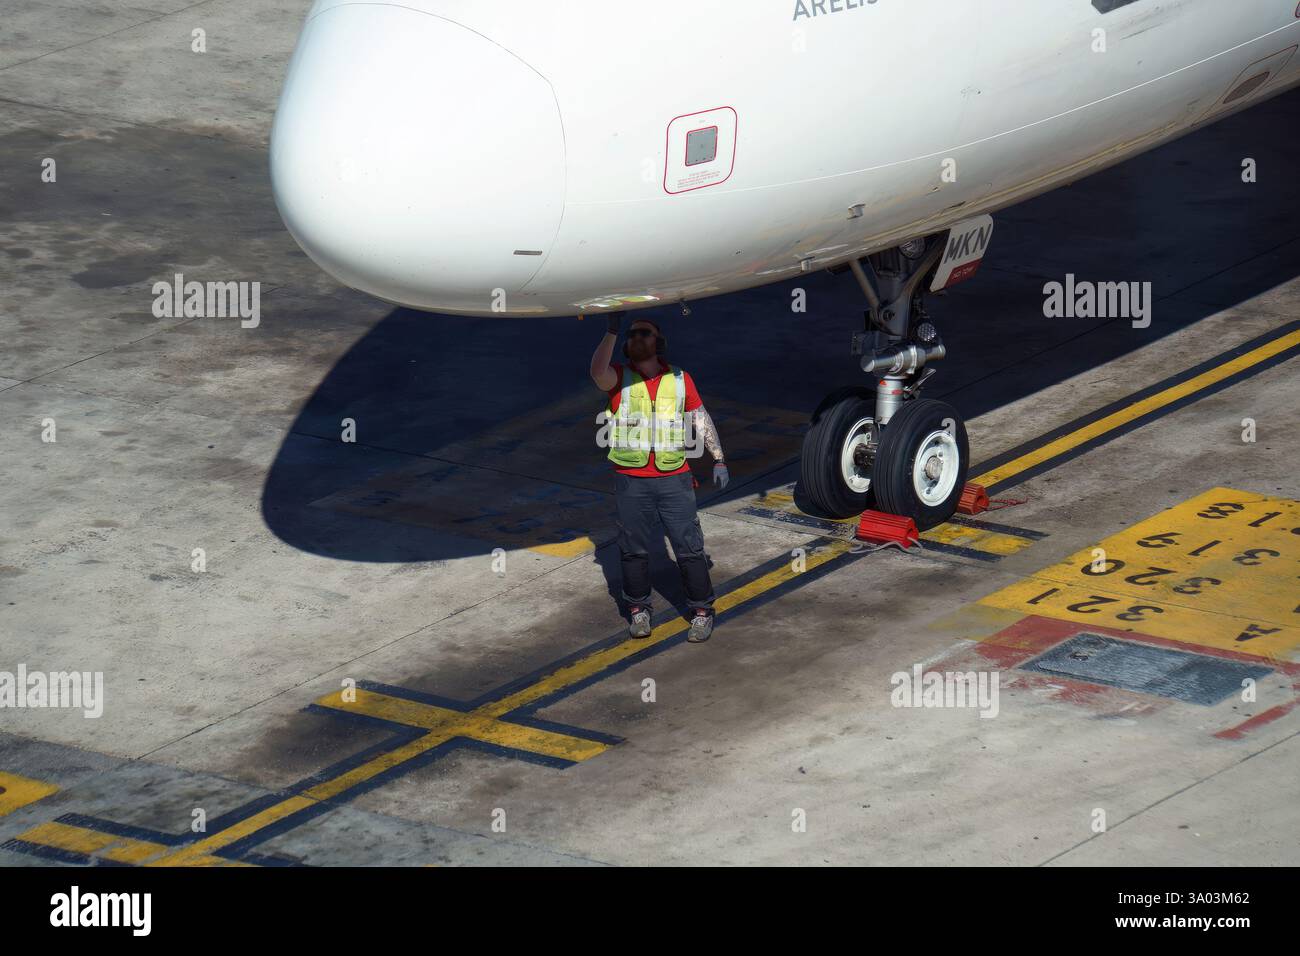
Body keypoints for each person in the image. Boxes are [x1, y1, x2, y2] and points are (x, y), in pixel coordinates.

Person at [590, 312, 728, 643]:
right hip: (631, 479)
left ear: (658, 342)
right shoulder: (618, 378)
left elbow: (699, 416)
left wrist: (719, 458)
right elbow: (596, 371)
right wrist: (611, 330)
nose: (637, 337)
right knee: (633, 549)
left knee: (689, 548)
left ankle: (701, 612)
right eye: (632, 333)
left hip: (673, 478)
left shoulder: (680, 379)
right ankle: (638, 610)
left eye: (645, 333)